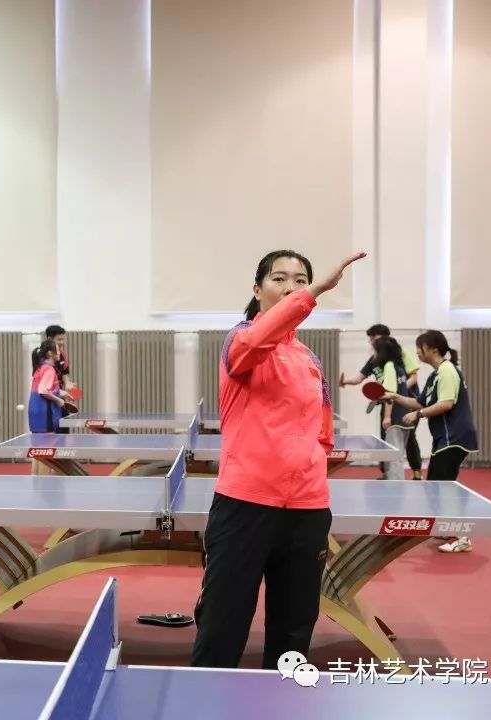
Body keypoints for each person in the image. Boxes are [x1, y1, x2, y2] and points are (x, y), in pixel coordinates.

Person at [190, 248, 366, 669]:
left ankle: (283, 699)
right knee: (222, 627)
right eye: (279, 278)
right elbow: (257, 340)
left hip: (307, 511)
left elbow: (323, 432)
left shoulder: (309, 359)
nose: (291, 288)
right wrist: (315, 292)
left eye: (300, 280)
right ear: (257, 289)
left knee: (293, 631)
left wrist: (310, 472)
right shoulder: (240, 342)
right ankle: (204, 698)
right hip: (245, 505)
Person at [380, 330, 479, 553]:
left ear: (433, 349)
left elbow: (446, 404)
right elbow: (419, 402)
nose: (417, 352)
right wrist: (395, 397)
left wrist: (419, 415)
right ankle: (448, 527)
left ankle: (461, 536)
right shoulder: (436, 375)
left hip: (455, 437)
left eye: (420, 347)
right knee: (435, 484)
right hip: (444, 438)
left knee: (444, 486)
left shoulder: (447, 371)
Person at [341, 324, 423, 479]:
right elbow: (359, 378)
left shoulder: (397, 355)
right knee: (387, 441)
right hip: (389, 403)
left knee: (407, 441)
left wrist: (399, 392)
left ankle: (415, 473)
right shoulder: (375, 359)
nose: (372, 341)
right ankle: (388, 474)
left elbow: (413, 377)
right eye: (370, 339)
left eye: (374, 337)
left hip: (407, 403)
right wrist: (345, 381)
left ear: (385, 337)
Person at [370, 336, 416, 481]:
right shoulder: (400, 368)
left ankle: (395, 488)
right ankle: (396, 486)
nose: (374, 354)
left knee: (393, 459)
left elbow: (390, 393)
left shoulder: (389, 366)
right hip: (405, 418)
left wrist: (387, 416)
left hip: (395, 419)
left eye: (375, 351)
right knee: (398, 456)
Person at [28, 339, 72, 433]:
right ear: (50, 353)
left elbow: (41, 388)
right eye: (57, 350)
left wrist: (61, 393)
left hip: (36, 412)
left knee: (38, 441)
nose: (59, 352)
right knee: (48, 441)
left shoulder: (40, 367)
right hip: (45, 413)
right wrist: (59, 400)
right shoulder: (49, 369)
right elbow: (43, 390)